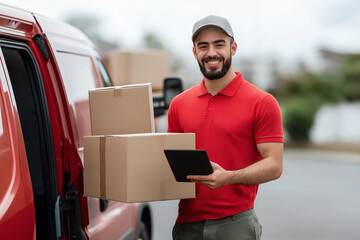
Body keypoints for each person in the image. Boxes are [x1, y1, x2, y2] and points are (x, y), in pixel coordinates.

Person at [167, 15, 284, 240]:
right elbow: (171, 163)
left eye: (219, 44)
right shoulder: (179, 104)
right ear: (194, 53)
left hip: (236, 224)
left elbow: (275, 165)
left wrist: (228, 177)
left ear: (233, 47)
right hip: (186, 225)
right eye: (203, 46)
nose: (211, 52)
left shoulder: (262, 102)